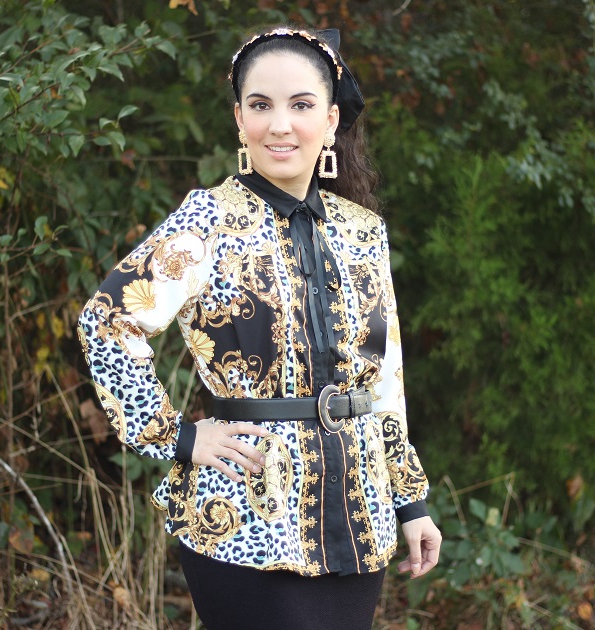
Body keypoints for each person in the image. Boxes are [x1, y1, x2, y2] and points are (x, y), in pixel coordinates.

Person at [78, 27, 441, 630]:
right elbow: (108, 319)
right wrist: (178, 437)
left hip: (360, 514)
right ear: (239, 119)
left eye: (300, 105)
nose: (280, 125)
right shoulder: (207, 220)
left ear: (330, 120)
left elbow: (384, 377)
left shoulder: (362, 231)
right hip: (246, 514)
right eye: (261, 104)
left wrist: (410, 500)